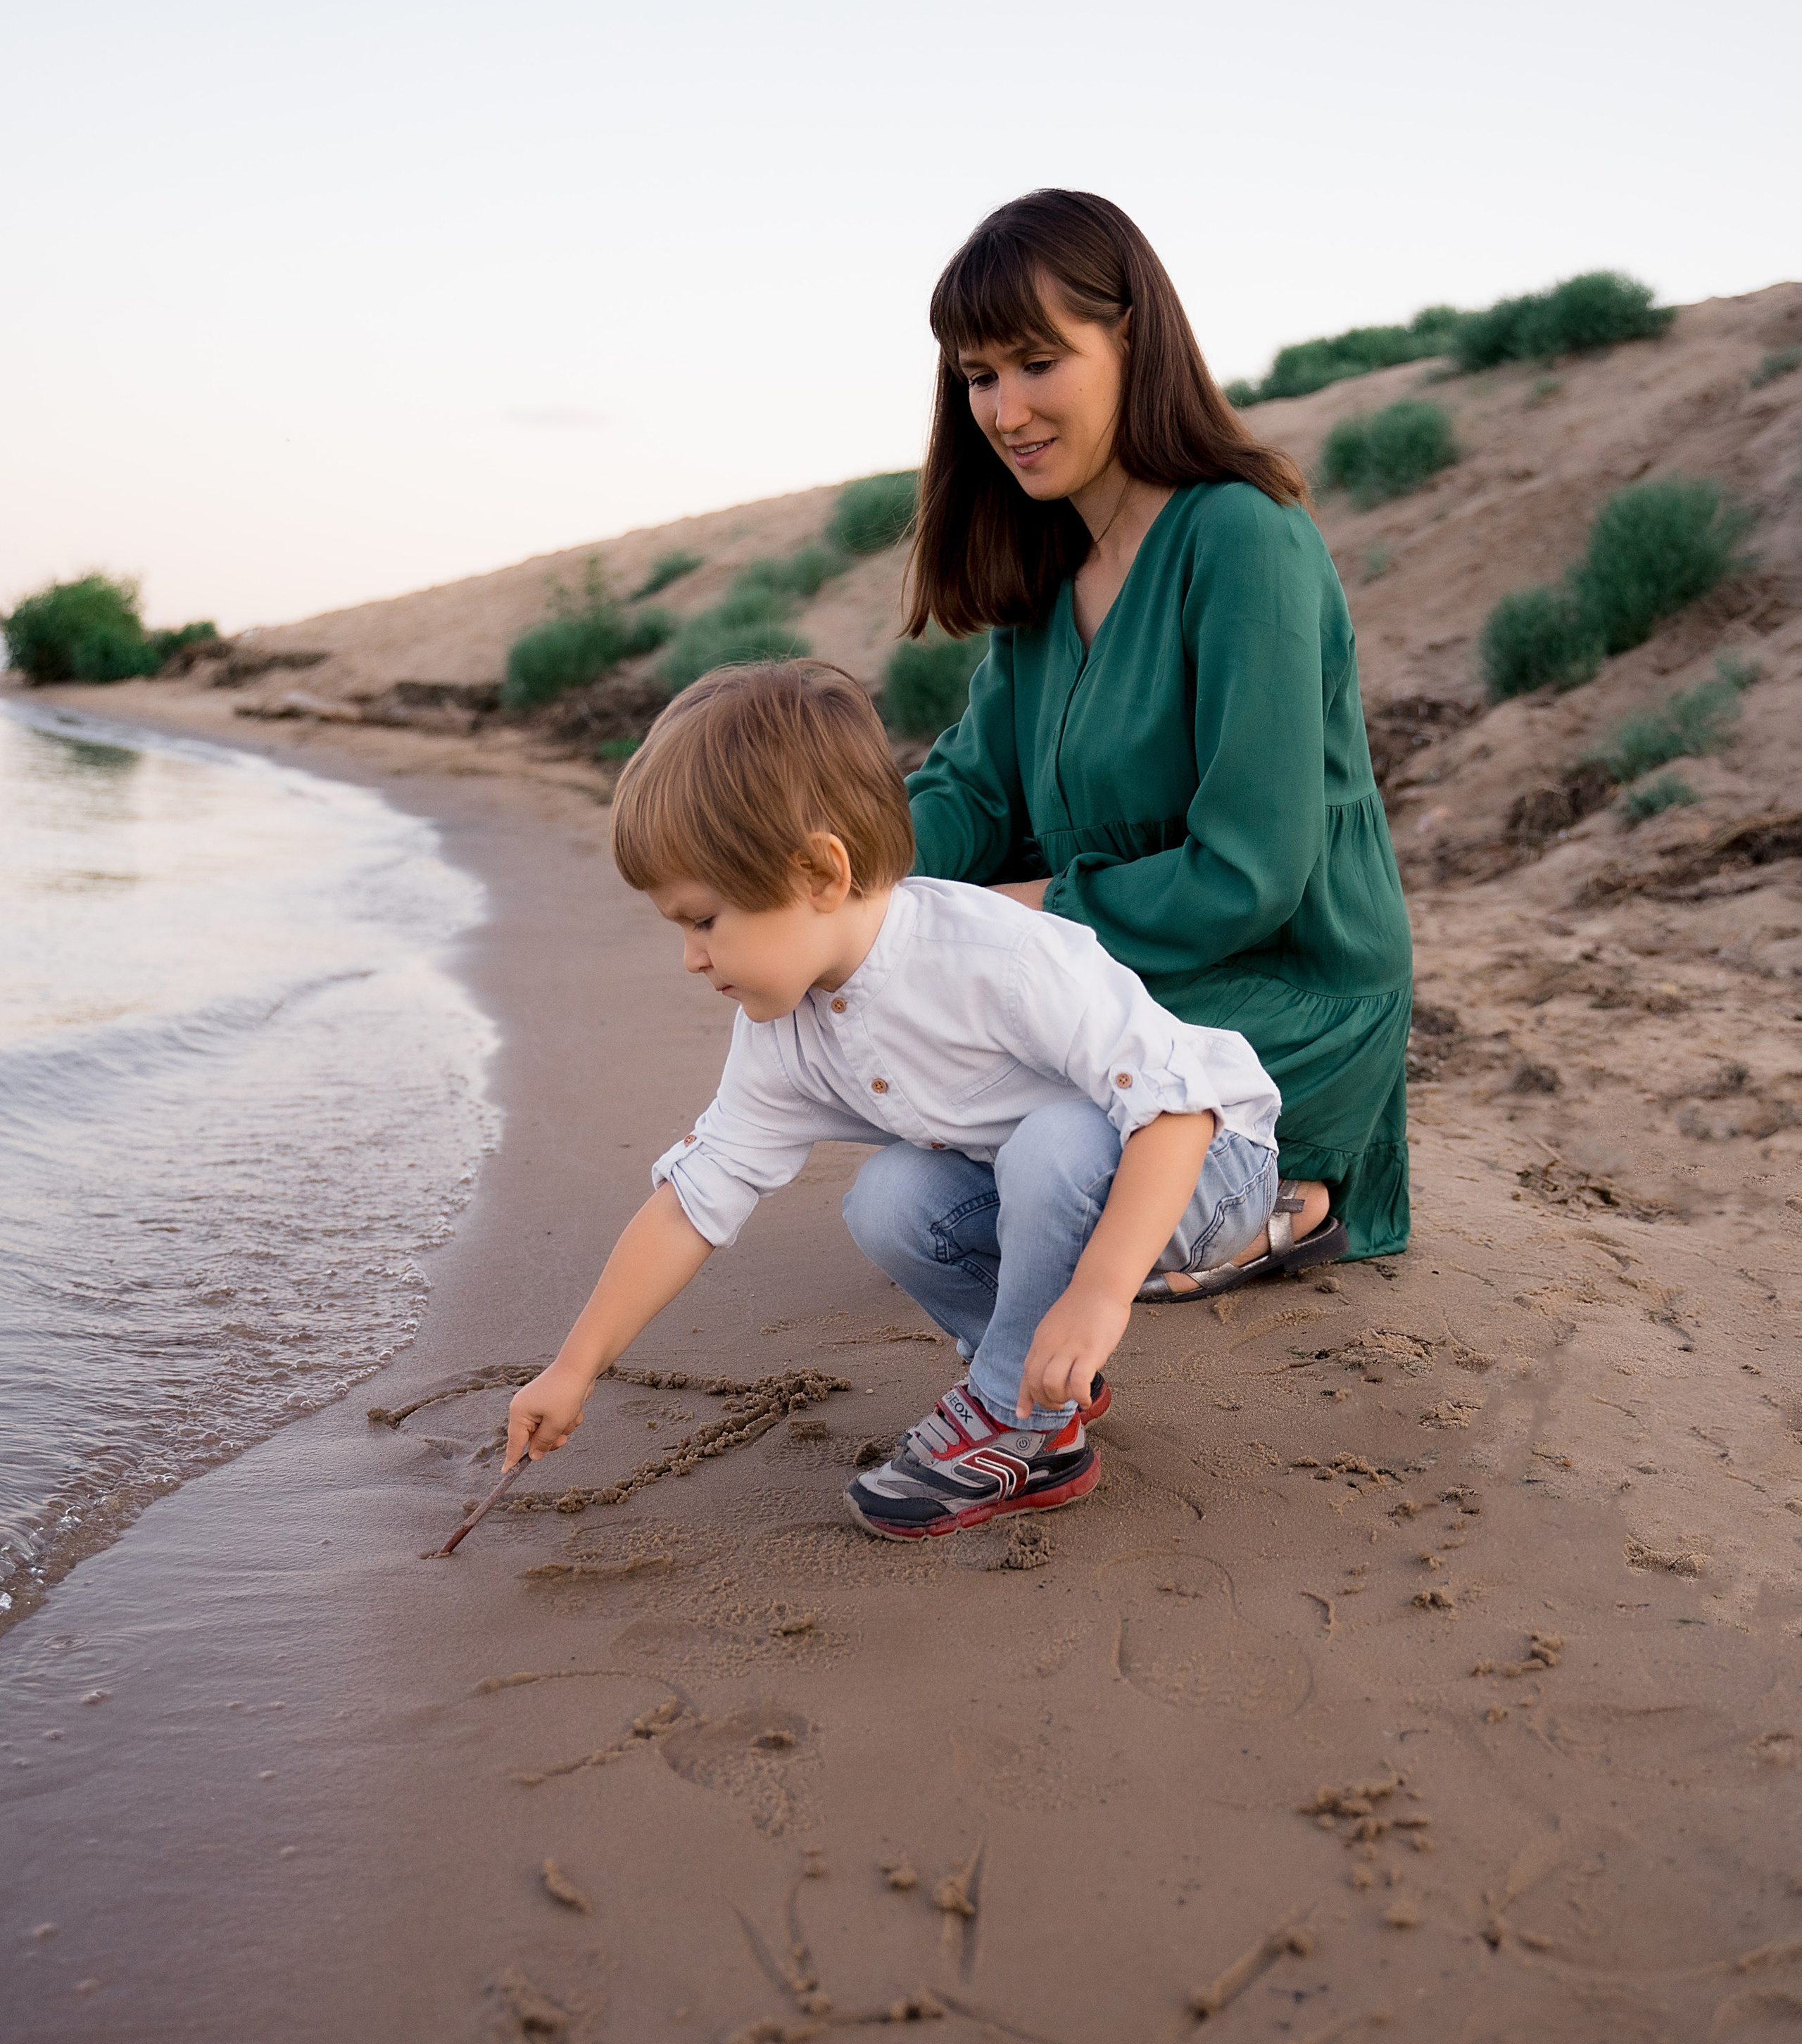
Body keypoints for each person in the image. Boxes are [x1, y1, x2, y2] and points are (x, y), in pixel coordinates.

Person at [503, 661, 1283, 1541]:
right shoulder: (782, 1032)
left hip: (1204, 1166)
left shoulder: (997, 958)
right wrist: (573, 1369)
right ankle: (1042, 1381)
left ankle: (1013, 1424)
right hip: (1054, 1189)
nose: (690, 957)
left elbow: (1177, 1111)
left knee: (1057, 1141)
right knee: (891, 1199)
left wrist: (1101, 1296)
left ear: (821, 874)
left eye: (705, 920)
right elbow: (694, 1200)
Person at [905, 189, 1414, 1278]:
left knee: (1013, 1145)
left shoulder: (1244, 539)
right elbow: (972, 796)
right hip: (1129, 975)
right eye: (980, 377)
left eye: (1038, 361)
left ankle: (1294, 1199)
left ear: (1133, 337)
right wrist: (831, 883)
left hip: (1281, 990)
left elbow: (1250, 872)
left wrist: (1018, 918)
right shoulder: (1047, 576)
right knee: (920, 1166)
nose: (1005, 411)